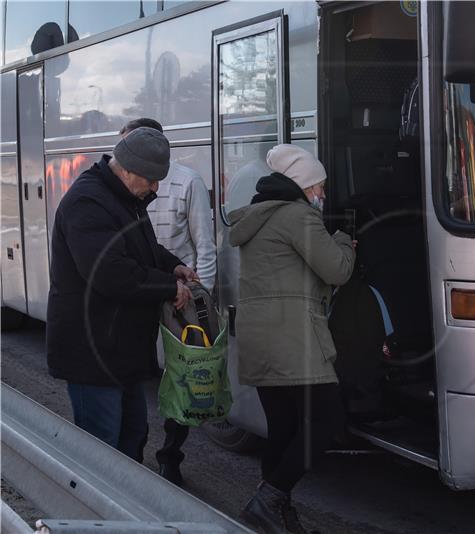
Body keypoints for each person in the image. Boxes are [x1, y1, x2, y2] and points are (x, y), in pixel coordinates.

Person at [47, 127, 197, 462]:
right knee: (103, 449)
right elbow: (110, 272)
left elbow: (140, 248)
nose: (156, 187)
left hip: (119, 349)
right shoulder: (88, 201)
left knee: (132, 437)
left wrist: (173, 266)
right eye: (151, 179)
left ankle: (127, 512)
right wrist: (168, 287)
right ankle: (101, 513)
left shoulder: (125, 196)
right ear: (127, 169)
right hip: (93, 352)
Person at [229, 144, 356, 534]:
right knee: (326, 420)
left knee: (283, 429)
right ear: (301, 185)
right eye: (317, 187)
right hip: (293, 339)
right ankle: (268, 499)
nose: (320, 195)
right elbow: (336, 271)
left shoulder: (257, 215)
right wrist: (346, 242)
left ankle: (277, 517)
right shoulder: (299, 217)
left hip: (260, 337)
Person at [118, 118, 217, 485]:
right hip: (138, 292)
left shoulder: (187, 181)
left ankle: (170, 455)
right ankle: (136, 450)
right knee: (142, 374)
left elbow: (204, 246)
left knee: (180, 376)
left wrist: (202, 299)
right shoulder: (121, 188)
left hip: (178, 298)